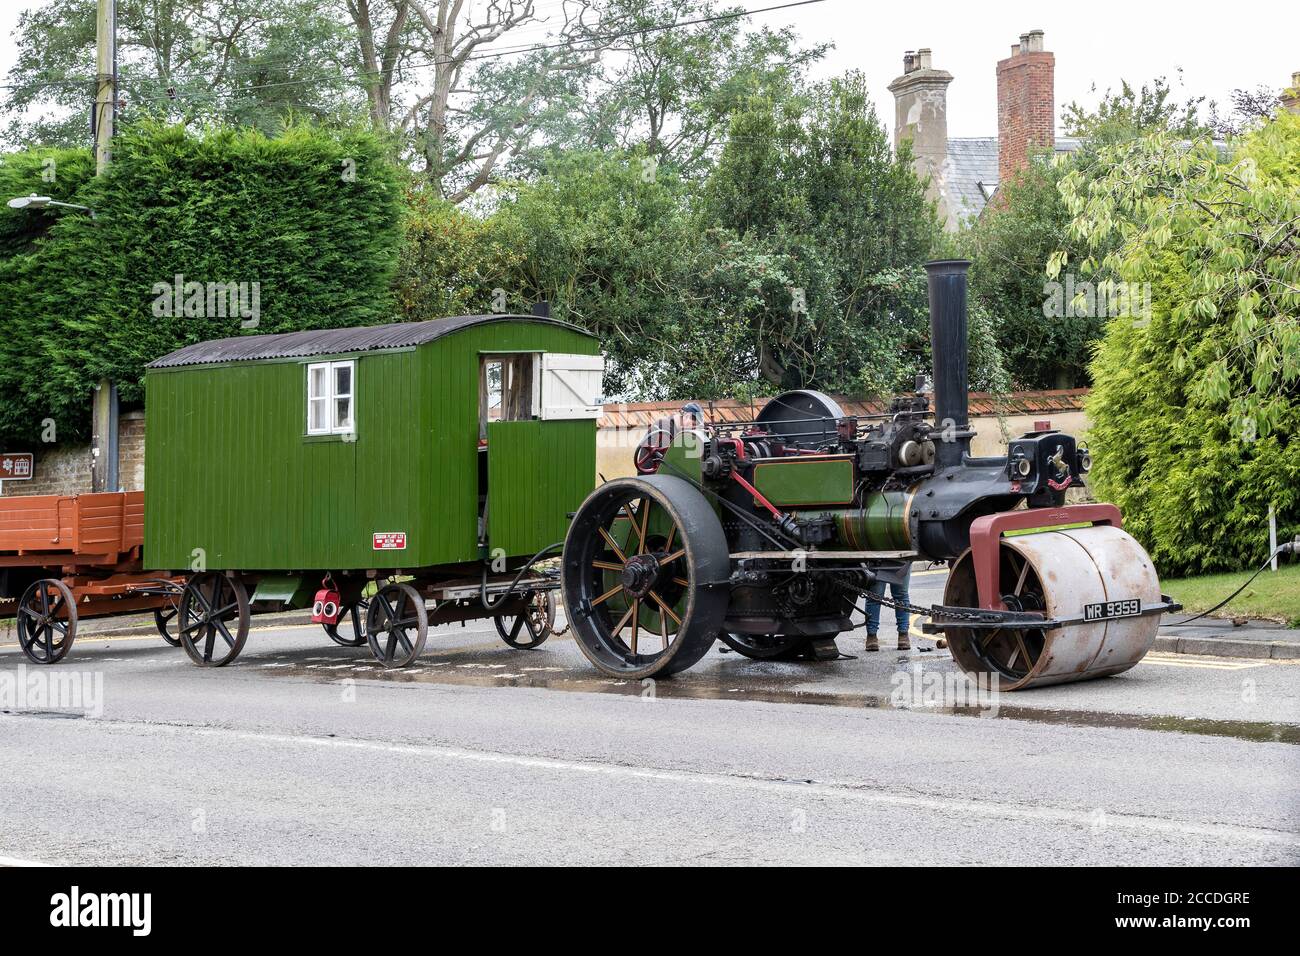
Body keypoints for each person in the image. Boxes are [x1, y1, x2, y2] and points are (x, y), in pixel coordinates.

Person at [635, 402, 703, 472]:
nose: (693, 428)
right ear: (687, 416)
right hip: (651, 474)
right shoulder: (664, 426)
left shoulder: (676, 428)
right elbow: (671, 458)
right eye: (693, 424)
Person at [864, 563, 912, 652]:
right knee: (901, 596)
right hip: (900, 557)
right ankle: (903, 635)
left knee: (874, 597)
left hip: (878, 558)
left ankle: (871, 636)